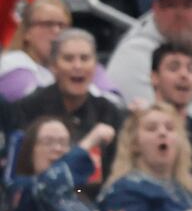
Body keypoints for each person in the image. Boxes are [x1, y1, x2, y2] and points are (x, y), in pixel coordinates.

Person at [11, 29, 125, 166]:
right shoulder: (28, 108)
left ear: (95, 66)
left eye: (85, 58)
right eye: (68, 59)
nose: (77, 66)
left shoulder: (109, 113)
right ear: (54, 66)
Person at [0, 0, 117, 102]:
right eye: (47, 24)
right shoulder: (14, 62)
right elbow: (32, 105)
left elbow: (115, 102)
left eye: (62, 25)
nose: (56, 31)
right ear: (27, 32)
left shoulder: (83, 63)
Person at [148, 43, 192, 181]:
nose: (184, 75)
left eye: (191, 69)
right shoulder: (135, 128)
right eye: (174, 68)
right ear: (154, 77)